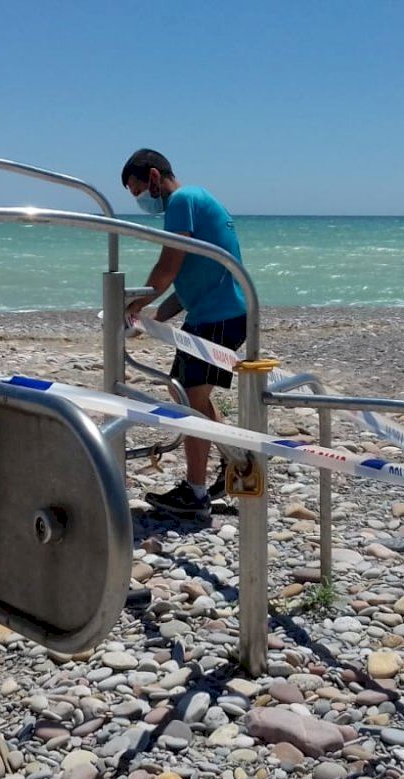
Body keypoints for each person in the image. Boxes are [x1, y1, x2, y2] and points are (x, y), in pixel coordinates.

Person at [121, 148, 248, 518]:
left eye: (138, 191)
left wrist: (129, 304)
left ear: (154, 177)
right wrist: (150, 318)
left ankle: (195, 494)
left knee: (190, 399)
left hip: (218, 317)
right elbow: (189, 283)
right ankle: (233, 460)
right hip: (218, 312)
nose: (140, 200)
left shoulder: (182, 201)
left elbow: (168, 266)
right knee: (185, 392)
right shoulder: (197, 200)